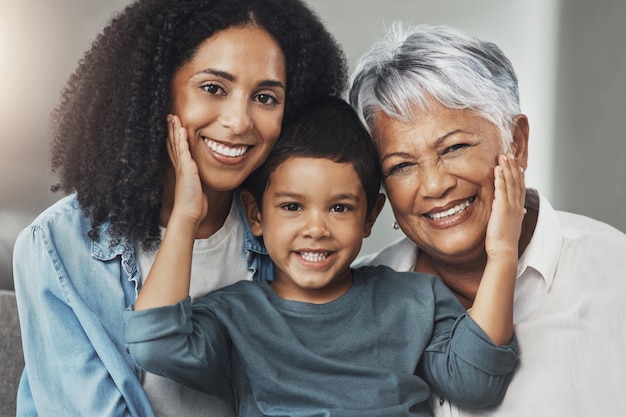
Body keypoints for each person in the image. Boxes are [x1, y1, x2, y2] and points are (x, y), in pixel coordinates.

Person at [12, 0, 347, 415]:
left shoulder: (290, 239)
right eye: (213, 88)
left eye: (265, 97)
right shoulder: (58, 245)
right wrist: (185, 218)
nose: (240, 121)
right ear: (158, 91)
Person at [123, 96, 524, 416]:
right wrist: (186, 216)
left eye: (340, 208)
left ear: (370, 217)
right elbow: (155, 344)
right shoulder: (236, 316)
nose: (316, 229)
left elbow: (475, 382)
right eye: (292, 207)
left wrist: (502, 252)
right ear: (255, 214)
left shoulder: (414, 300)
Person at [348, 22, 626, 417]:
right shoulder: (353, 297)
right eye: (401, 166)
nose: (434, 185)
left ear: (518, 143)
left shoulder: (616, 275)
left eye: (455, 147)